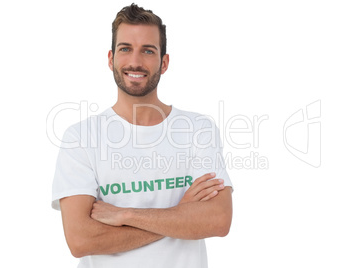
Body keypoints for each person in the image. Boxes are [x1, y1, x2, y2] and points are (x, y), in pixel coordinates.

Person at [52, 3, 233, 268]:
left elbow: (218, 220)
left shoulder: (198, 130)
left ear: (164, 61)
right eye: (126, 49)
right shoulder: (81, 138)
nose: (135, 61)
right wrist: (182, 217)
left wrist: (125, 214)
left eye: (148, 51)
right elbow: (81, 240)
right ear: (111, 58)